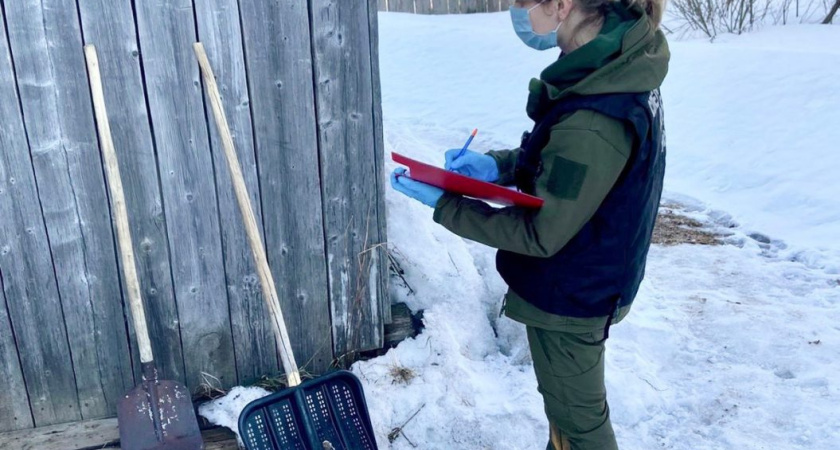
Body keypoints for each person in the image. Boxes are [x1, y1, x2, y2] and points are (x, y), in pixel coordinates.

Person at [391, 0, 669, 448]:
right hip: (587, 274)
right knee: (565, 411)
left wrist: (448, 203)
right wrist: (497, 166)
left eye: (521, 2)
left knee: (581, 425)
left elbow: (542, 233)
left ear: (560, 5)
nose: (516, 13)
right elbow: (565, 167)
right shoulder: (610, 63)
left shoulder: (598, 111)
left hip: (573, 294)